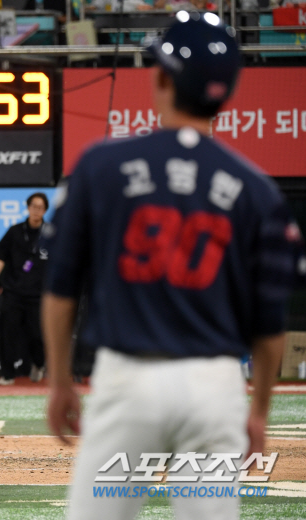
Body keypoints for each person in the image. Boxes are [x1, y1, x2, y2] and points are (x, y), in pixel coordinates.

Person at [42, 13, 302, 520]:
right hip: (216, 386)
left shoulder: (99, 165)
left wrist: (59, 381)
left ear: (161, 78)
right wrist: (259, 412)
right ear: (227, 93)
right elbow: (271, 327)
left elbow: (60, 290)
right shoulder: (258, 190)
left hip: (127, 380)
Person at [0, 192, 49, 386]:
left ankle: (39, 364)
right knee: (7, 333)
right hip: (13, 290)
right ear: (28, 207)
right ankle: (7, 375)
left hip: (39, 294)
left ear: (45, 210)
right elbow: (1, 254)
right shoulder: (15, 231)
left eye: (40, 207)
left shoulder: (50, 233)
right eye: (34, 206)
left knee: (38, 335)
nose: (36, 211)